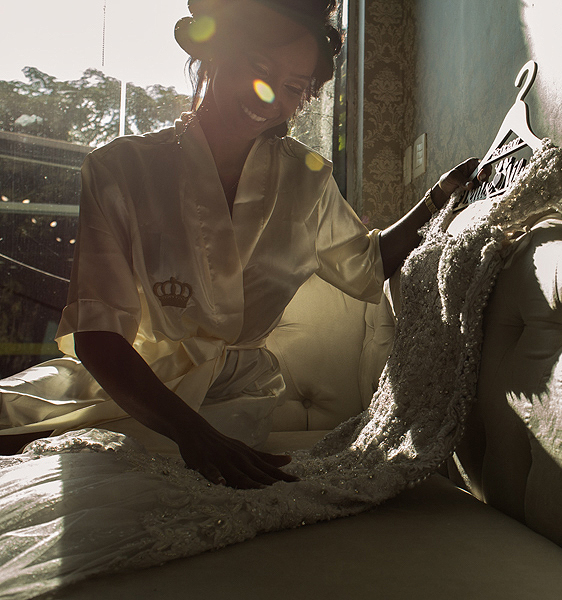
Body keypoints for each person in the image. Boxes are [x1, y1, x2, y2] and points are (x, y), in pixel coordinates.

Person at [0, 0, 486, 489]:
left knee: (135, 486)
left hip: (232, 397)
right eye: (259, 67)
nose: (268, 95)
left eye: (294, 87)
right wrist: (190, 433)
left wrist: (436, 199)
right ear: (217, 52)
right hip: (131, 383)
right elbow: (97, 334)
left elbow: (367, 264)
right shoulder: (118, 169)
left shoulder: (308, 179)